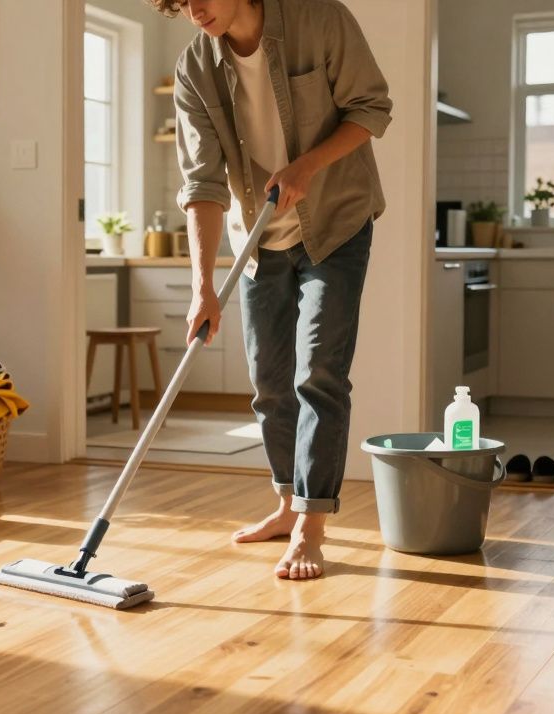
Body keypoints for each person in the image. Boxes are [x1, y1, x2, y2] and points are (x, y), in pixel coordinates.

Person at [145, 0, 392, 579]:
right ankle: (286, 503)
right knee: (268, 383)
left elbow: (371, 107)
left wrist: (308, 165)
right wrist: (202, 285)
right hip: (257, 241)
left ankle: (311, 523)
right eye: (179, 3)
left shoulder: (320, 19)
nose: (192, 11)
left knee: (319, 375)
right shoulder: (194, 68)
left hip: (335, 224)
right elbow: (202, 183)